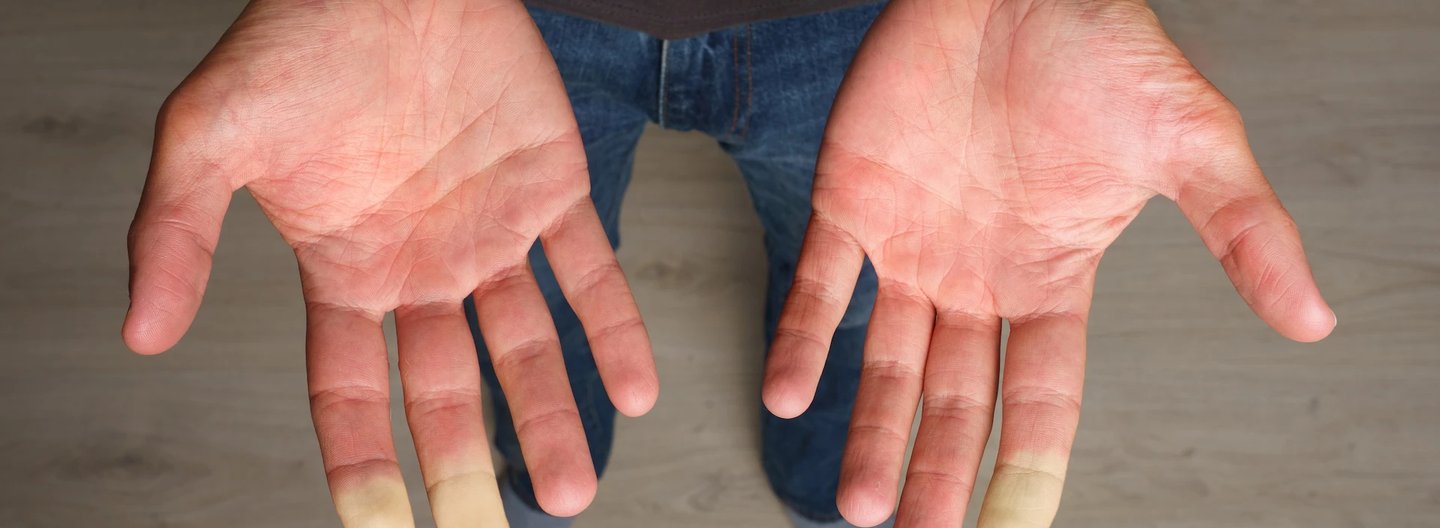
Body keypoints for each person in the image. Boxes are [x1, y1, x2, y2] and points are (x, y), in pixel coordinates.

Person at [120, 0, 1337, 526]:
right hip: (475, 29)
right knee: (513, 292)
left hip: (896, 29)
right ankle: (537, 477)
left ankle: (825, 490)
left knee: (861, 300)